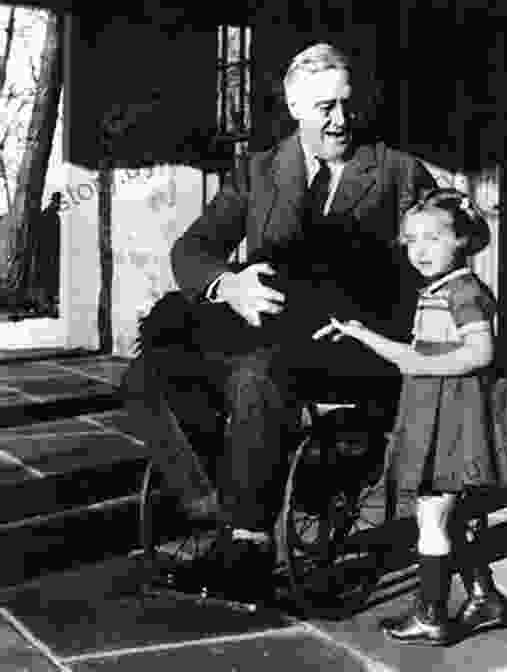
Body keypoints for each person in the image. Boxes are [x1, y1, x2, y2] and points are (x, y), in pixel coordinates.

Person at [121, 42, 437, 605]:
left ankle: (247, 543)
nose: (340, 119)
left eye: (347, 104)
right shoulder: (262, 171)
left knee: (255, 371)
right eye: (324, 107)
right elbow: (193, 248)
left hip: (351, 345)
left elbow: (440, 263)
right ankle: (219, 507)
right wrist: (230, 285)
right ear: (294, 105)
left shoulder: (397, 172)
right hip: (266, 331)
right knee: (147, 372)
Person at [325, 187, 507, 645]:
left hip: (453, 417)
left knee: (431, 517)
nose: (420, 250)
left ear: (462, 240)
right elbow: (412, 355)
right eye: (410, 241)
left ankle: (431, 614)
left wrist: (421, 365)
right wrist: (363, 334)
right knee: (450, 515)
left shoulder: (464, 291)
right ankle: (483, 596)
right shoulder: (440, 289)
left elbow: (480, 353)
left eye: (433, 238)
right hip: (435, 411)